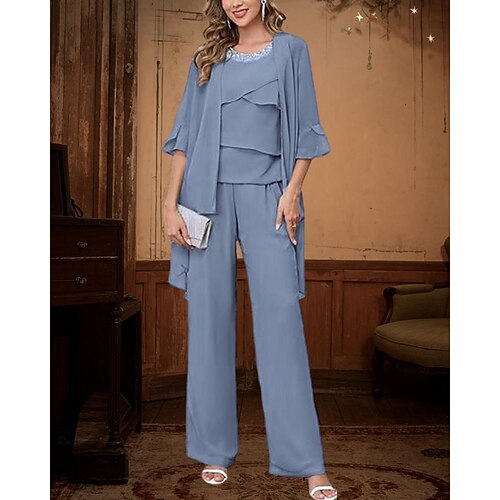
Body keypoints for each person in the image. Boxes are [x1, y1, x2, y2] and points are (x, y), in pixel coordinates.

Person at [162, 1, 336, 498]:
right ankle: (214, 450)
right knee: (209, 321)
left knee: (281, 323)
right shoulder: (206, 58)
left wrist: (292, 192)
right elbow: (185, 137)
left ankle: (308, 462)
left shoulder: (291, 51)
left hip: (268, 196)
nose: (236, 1)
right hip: (205, 198)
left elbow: (306, 128)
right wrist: (169, 204)